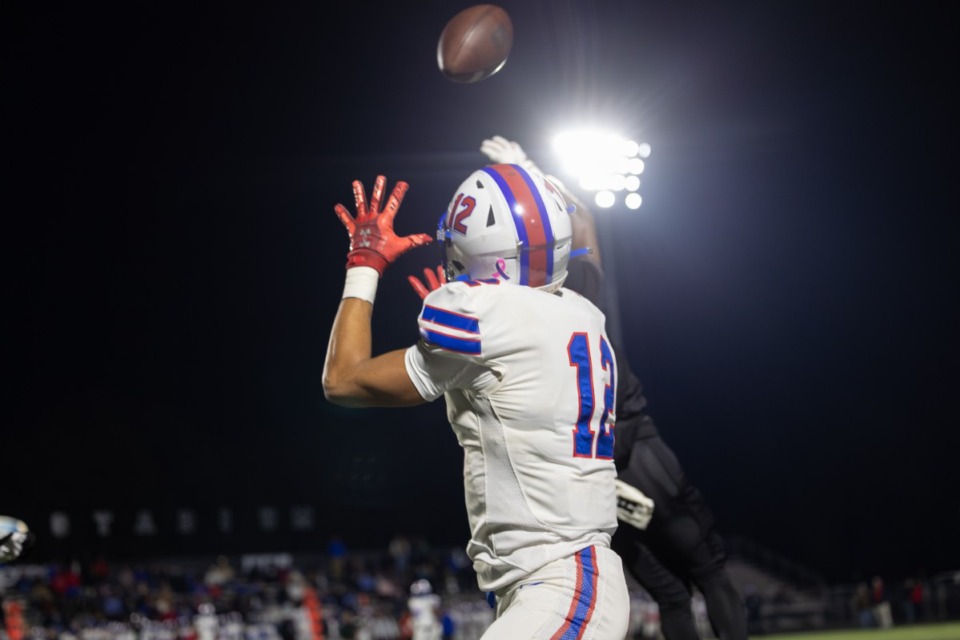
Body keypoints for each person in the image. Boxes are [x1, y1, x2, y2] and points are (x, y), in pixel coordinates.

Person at [323, 168, 630, 639]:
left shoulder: (486, 317)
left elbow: (343, 380)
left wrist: (365, 262)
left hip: (561, 579)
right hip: (559, 582)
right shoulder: (582, 311)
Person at [475, 136, 750, 640]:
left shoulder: (503, 323)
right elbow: (583, 224)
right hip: (629, 437)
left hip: (583, 463)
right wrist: (531, 174)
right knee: (707, 569)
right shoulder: (571, 292)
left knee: (669, 593)